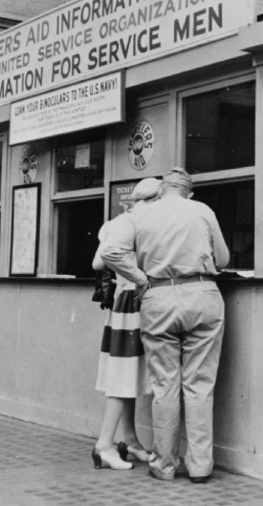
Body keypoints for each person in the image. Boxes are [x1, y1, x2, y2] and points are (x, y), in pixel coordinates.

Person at [102, 167, 230, 484]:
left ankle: (165, 464)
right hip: (202, 295)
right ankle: (200, 467)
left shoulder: (140, 215)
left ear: (161, 191)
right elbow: (223, 259)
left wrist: (141, 277)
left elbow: (110, 251)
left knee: (165, 385)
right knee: (200, 385)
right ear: (189, 191)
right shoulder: (202, 210)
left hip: (158, 297)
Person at [89, 176, 163, 470]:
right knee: (123, 376)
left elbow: (98, 261)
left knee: (127, 374)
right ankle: (104, 445)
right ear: (154, 199)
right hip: (133, 300)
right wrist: (137, 274)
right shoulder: (134, 222)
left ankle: (129, 440)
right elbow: (104, 259)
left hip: (124, 302)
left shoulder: (116, 223)